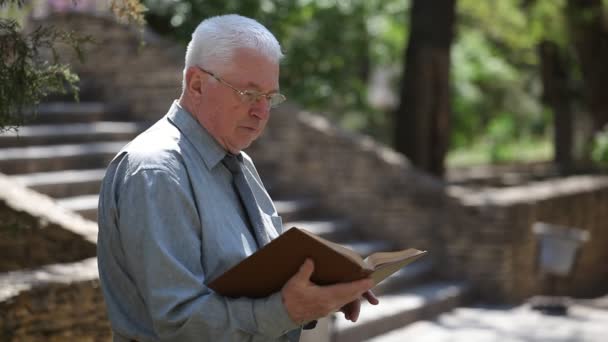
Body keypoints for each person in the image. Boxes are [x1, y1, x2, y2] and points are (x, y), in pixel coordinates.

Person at [97, 14, 378, 342]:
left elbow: (260, 282)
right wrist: (288, 311)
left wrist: (324, 291)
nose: (261, 112)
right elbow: (181, 324)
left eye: (270, 97)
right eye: (248, 94)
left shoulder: (237, 162)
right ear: (197, 84)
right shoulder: (156, 171)